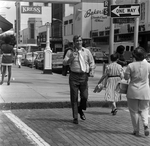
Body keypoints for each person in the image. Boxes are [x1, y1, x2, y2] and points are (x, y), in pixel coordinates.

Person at [63, 35, 95, 124]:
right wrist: (71, 58)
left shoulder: (86, 51)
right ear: (74, 42)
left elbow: (91, 62)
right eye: (77, 41)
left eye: (80, 40)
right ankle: (75, 117)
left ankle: (80, 109)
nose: (79, 42)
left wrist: (92, 69)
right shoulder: (70, 52)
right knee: (74, 97)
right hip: (73, 76)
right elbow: (65, 62)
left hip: (84, 76)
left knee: (84, 96)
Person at [124, 46, 150, 137]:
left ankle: (136, 130)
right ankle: (146, 124)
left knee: (134, 111)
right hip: (145, 91)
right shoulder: (148, 65)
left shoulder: (131, 65)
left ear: (134, 55)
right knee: (145, 109)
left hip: (133, 91)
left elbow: (126, 77)